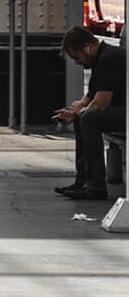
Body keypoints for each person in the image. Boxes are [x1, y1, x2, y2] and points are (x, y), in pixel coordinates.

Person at [52, 26, 127, 201]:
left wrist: (81, 112)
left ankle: (95, 186)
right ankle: (83, 180)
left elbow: (100, 103)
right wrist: (76, 111)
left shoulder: (108, 59)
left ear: (86, 48)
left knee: (89, 118)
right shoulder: (101, 56)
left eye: (77, 57)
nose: (77, 62)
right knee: (84, 117)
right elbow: (92, 94)